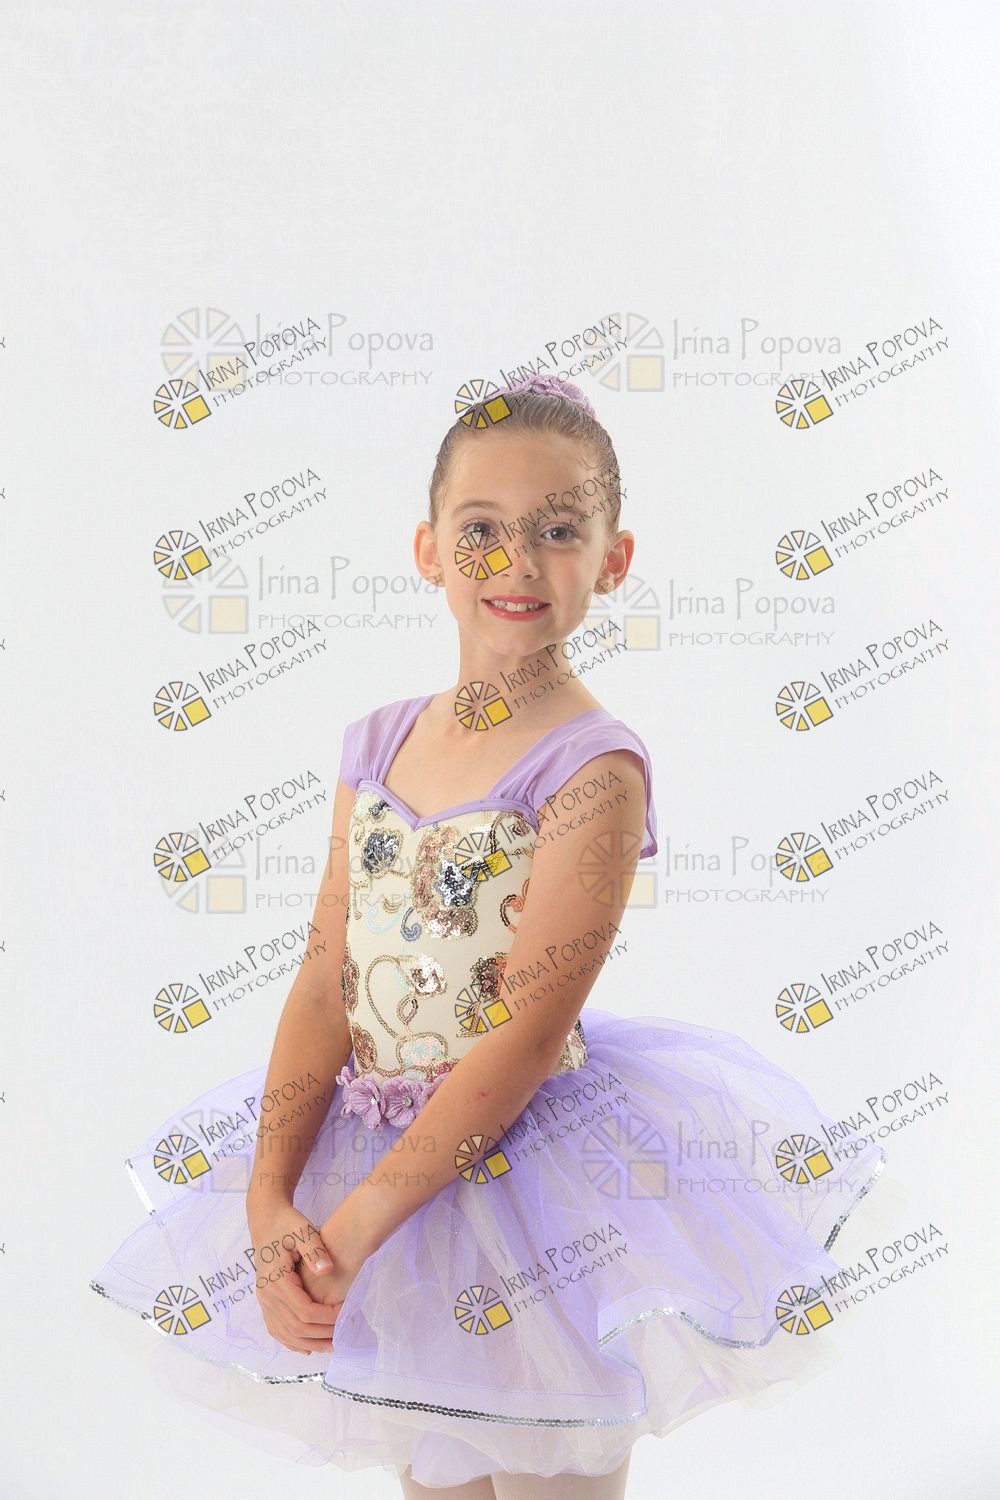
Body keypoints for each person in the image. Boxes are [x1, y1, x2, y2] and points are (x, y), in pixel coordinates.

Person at [90, 373, 888, 1497]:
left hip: (528, 1187)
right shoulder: (377, 744)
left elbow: (522, 1031)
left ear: (613, 558)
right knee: (433, 1472)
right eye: (480, 529)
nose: (516, 561)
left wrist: (355, 1227)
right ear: (427, 550)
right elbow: (325, 979)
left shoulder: (593, 768)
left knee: (547, 1466)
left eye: (558, 531)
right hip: (374, 1171)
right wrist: (273, 1200)